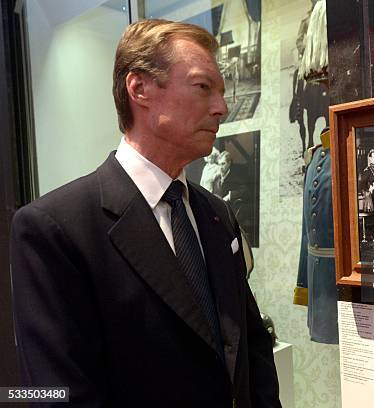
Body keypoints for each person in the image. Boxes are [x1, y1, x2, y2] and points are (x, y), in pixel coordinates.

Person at [10, 19, 280, 407]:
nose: (221, 108)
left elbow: (251, 349)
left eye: (222, 92)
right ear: (139, 88)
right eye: (204, 87)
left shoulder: (216, 215)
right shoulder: (54, 229)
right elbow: (57, 392)